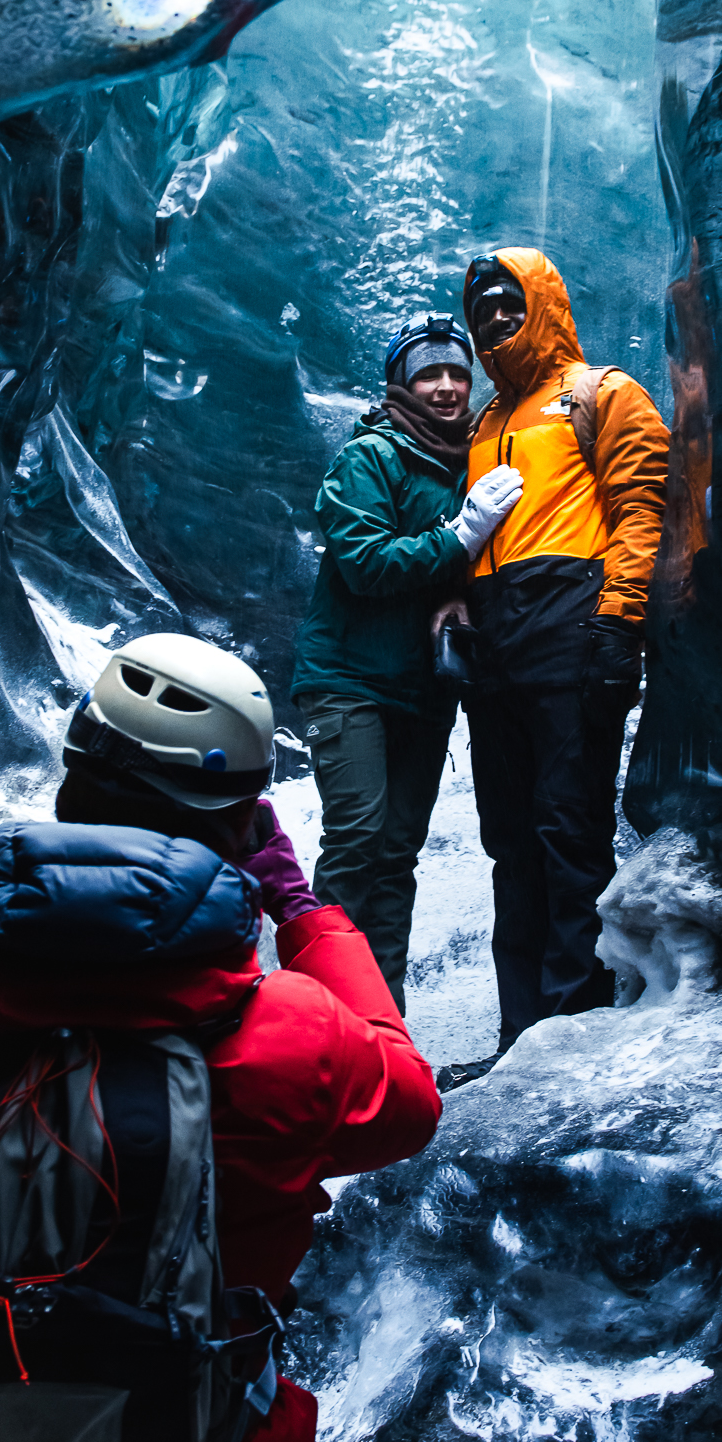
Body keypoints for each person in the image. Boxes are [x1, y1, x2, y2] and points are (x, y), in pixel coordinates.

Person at [0, 632, 442, 1442]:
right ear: (244, 831)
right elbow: (411, 1102)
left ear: (71, 787)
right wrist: (302, 913)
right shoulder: (294, 1034)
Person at [437, 249, 668, 1057]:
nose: (496, 316)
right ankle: (519, 1034)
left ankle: (571, 1030)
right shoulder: (485, 425)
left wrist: (618, 627)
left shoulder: (600, 393)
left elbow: (644, 512)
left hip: (572, 640)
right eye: (484, 308)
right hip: (497, 658)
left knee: (568, 835)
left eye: (510, 301)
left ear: (543, 302)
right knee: (510, 848)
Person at [289, 314, 523, 1008]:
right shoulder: (370, 458)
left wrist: (458, 597)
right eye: (430, 373)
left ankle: (378, 1019)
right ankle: (310, 1007)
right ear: (402, 382)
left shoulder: (473, 461)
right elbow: (364, 564)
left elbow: (458, 573)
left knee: (394, 859)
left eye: (457, 372)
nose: (449, 386)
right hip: (349, 680)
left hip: (423, 692)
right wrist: (461, 535)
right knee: (358, 838)